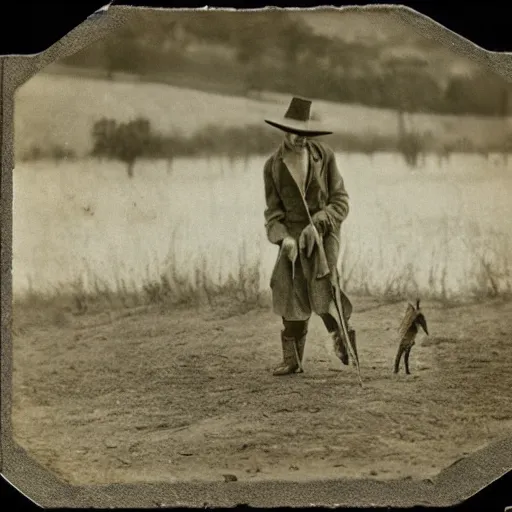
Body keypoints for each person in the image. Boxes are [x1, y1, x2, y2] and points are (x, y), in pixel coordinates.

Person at [263, 96, 357, 376]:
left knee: (322, 289)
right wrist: (284, 239)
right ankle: (293, 360)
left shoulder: (324, 156)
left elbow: (341, 202)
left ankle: (344, 342)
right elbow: (272, 215)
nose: (301, 139)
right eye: (295, 133)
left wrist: (318, 224)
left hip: (324, 232)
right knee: (288, 288)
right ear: (284, 130)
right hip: (292, 236)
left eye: (305, 133)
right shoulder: (272, 166)